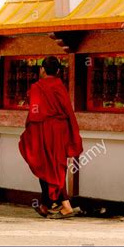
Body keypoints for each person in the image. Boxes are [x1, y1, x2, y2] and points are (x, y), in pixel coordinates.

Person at [19, 56, 83, 219]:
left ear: (42, 69)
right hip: (59, 131)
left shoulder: (36, 87)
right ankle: (45, 205)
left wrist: (30, 131)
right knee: (53, 166)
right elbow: (69, 112)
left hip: (41, 130)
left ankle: (65, 206)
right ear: (59, 71)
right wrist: (72, 131)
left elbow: (34, 112)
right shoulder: (60, 87)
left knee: (45, 165)